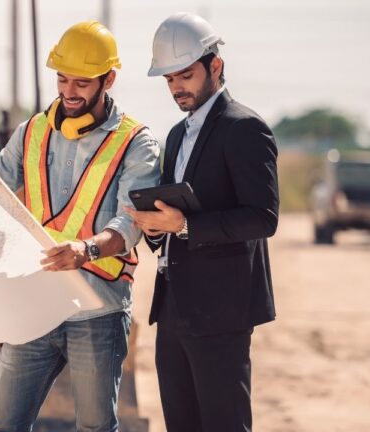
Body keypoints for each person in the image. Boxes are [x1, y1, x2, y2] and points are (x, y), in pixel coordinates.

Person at [0, 20, 160, 431]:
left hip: (97, 309)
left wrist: (87, 249)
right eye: (62, 79)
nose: (68, 91)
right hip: (34, 304)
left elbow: (130, 222)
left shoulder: (137, 143)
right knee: (3, 425)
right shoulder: (31, 131)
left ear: (109, 79)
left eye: (81, 82)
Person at [125, 12, 279, 431]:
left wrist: (187, 226)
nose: (177, 87)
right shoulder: (175, 135)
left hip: (222, 312)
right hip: (173, 309)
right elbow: (176, 218)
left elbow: (263, 218)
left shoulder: (245, 128)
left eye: (186, 75)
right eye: (170, 79)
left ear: (216, 66)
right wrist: (156, 229)